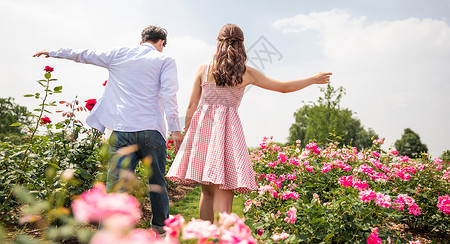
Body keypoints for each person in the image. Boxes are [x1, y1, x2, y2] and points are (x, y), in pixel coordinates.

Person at [166, 23, 332, 223]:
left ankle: (205, 238)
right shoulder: (246, 73)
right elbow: (284, 88)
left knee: (207, 193)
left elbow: (192, 105)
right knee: (225, 191)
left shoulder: (204, 69)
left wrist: (187, 136)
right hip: (228, 133)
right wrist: (313, 79)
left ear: (218, 43)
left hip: (204, 132)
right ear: (242, 44)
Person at [33, 25, 183, 235]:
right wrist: (175, 130)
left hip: (122, 132)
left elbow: (84, 55)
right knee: (157, 182)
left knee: (115, 186)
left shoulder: (118, 54)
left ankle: (107, 234)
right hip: (152, 130)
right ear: (161, 43)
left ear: (141, 41)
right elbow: (170, 95)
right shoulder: (165, 60)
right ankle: (161, 230)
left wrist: (53, 52)